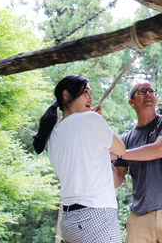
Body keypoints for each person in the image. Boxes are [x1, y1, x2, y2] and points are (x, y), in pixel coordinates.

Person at [33, 75, 126, 243]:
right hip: (96, 215)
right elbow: (121, 149)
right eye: (85, 93)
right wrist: (96, 119)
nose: (90, 98)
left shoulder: (52, 134)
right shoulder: (90, 119)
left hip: (70, 220)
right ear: (67, 96)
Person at [113, 81, 162, 243]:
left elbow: (158, 150)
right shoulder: (125, 140)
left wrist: (118, 155)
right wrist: (96, 152)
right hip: (140, 215)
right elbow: (116, 180)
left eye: (151, 91)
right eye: (142, 91)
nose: (148, 94)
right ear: (131, 102)